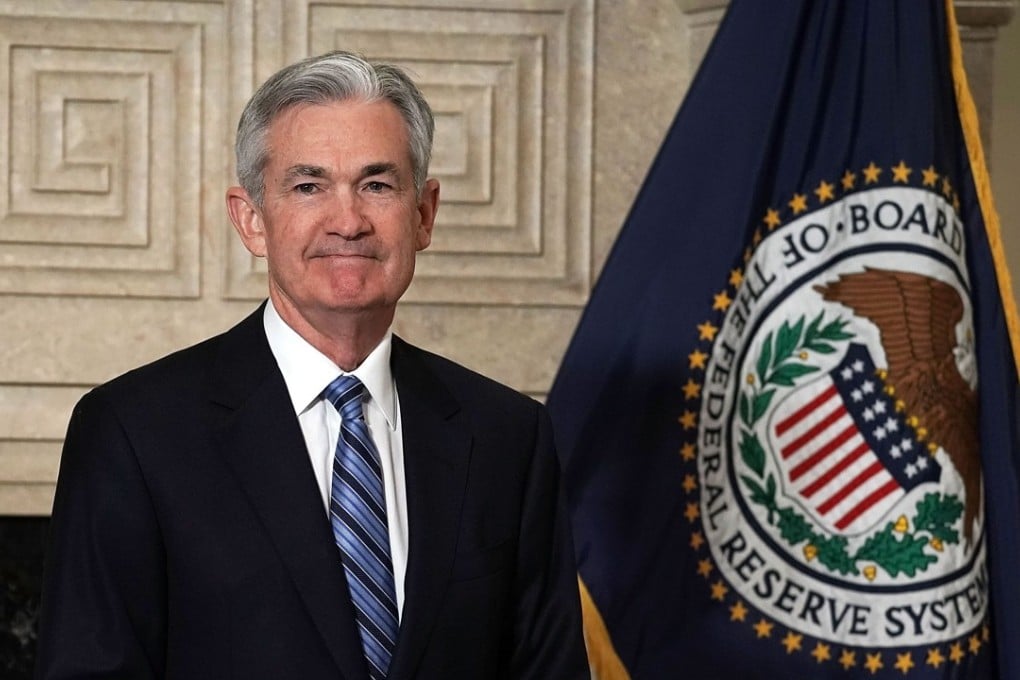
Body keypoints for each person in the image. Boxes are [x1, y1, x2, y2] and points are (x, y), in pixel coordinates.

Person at [35, 51, 589, 679]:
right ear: (251, 220)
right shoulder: (132, 432)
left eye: (377, 185)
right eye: (308, 186)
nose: (348, 222)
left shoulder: (508, 437)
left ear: (424, 214)